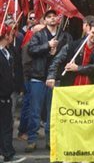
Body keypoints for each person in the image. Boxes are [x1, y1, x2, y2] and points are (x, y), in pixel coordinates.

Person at [47, 21, 94, 163]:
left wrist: (78, 68)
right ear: (88, 30)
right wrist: (51, 76)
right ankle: (69, 155)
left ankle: (86, 156)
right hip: (70, 89)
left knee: (88, 123)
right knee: (70, 123)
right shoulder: (73, 45)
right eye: (93, 32)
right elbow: (57, 60)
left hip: (91, 90)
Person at [26, 9, 72, 153]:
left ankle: (50, 140)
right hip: (38, 78)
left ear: (58, 19)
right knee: (35, 110)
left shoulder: (65, 36)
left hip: (55, 78)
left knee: (52, 111)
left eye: (54, 17)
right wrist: (47, 46)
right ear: (45, 20)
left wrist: (57, 51)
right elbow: (31, 50)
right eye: (49, 17)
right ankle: (32, 139)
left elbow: (69, 53)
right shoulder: (38, 35)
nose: (52, 19)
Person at [0, 28, 26, 163]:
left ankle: (7, 154)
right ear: (5, 36)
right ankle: (7, 154)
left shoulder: (7, 52)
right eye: (10, 34)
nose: (12, 36)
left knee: (6, 127)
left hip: (7, 96)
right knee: (4, 127)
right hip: (1, 96)